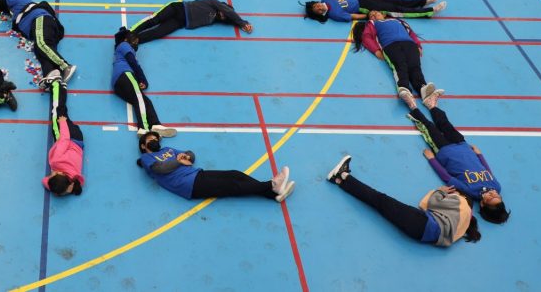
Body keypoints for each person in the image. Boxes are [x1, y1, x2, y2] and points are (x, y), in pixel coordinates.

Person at [327, 155, 481, 247]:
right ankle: (340, 181)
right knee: (379, 204)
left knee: (379, 199)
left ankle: (343, 175)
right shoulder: (463, 224)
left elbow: (425, 204)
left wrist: (441, 191)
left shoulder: (460, 202)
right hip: (420, 234)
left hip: (422, 223)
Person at [405, 99, 509, 224]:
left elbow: (446, 177)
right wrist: (479, 155)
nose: (492, 193)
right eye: (497, 195)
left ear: (482, 204)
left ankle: (413, 108)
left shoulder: (470, 191)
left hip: (444, 151)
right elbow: (487, 170)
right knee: (445, 124)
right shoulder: (497, 187)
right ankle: (432, 107)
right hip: (463, 146)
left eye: (490, 198)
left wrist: (432, 159)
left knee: (429, 127)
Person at [138, 131, 295, 202]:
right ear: (143, 146)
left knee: (235, 174)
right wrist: (179, 161)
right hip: (188, 185)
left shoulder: (168, 149)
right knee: (232, 186)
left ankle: (274, 194)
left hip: (197, 174)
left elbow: (190, 154)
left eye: (155, 139)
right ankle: (272, 184)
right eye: (150, 140)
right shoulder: (146, 158)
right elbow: (160, 169)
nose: (154, 141)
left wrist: (186, 157)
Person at [352, 11, 444, 107]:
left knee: (415, 67)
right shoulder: (372, 24)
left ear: (383, 14)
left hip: (409, 45)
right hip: (390, 45)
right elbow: (366, 37)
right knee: (400, 66)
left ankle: (424, 90)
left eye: (376, 12)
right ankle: (404, 88)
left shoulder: (398, 21)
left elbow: (410, 32)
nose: (374, 15)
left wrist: (418, 45)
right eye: (371, 15)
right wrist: (376, 51)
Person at [0, 0, 77, 86]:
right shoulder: (17, 11)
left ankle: (65, 67)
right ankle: (50, 76)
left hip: (40, 19)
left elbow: (0, 1)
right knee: (39, 50)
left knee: (41, 44)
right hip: (40, 27)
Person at [112, 29, 176, 137]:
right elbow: (133, 63)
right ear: (126, 39)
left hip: (119, 84)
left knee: (145, 101)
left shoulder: (122, 49)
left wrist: (141, 80)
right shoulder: (124, 45)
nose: (135, 44)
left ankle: (155, 124)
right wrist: (143, 79)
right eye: (134, 41)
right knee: (140, 100)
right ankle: (143, 128)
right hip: (125, 75)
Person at [129, 0, 253, 44]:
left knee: (159, 32)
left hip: (180, 23)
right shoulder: (213, 2)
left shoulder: (216, 19)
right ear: (223, 8)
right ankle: (130, 32)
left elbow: (230, 19)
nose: (223, 15)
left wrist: (240, 25)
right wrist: (243, 22)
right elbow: (229, 13)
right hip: (177, 8)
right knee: (154, 20)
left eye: (225, 17)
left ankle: (134, 41)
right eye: (224, 12)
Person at [43, 80, 84, 196]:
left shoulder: (74, 178)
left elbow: (46, 182)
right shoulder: (56, 160)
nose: (49, 176)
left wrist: (66, 190)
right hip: (69, 136)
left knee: (62, 110)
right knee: (57, 112)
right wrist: (62, 123)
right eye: (51, 176)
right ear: (59, 173)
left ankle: (62, 89)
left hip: (78, 139)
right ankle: (56, 84)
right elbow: (64, 140)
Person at [304, 0, 446, 23]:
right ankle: (429, 12)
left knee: (394, 0)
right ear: (319, 14)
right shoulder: (334, 14)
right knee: (397, 10)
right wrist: (370, 15)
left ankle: (423, 1)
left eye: (316, 5)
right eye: (317, 10)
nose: (318, 7)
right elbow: (354, 16)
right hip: (365, 6)